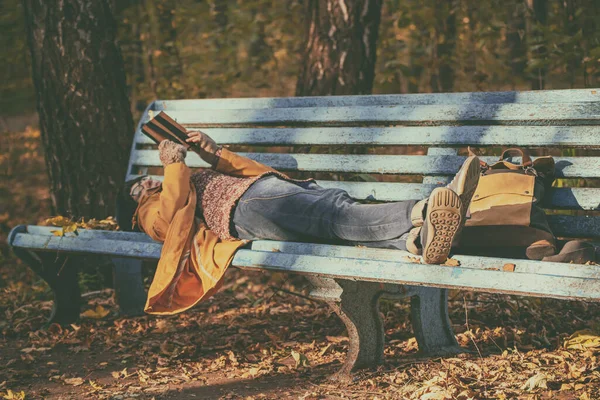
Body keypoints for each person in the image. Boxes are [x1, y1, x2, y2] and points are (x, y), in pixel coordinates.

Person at [115, 131, 480, 315]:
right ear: (133, 210)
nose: (146, 183)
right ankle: (424, 209)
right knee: (334, 213)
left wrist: (212, 153)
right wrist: (173, 164)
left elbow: (254, 172)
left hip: (261, 191)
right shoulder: (150, 212)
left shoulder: (179, 181)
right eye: (138, 189)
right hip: (248, 207)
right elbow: (168, 217)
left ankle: (415, 240)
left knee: (339, 223)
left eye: (146, 179)